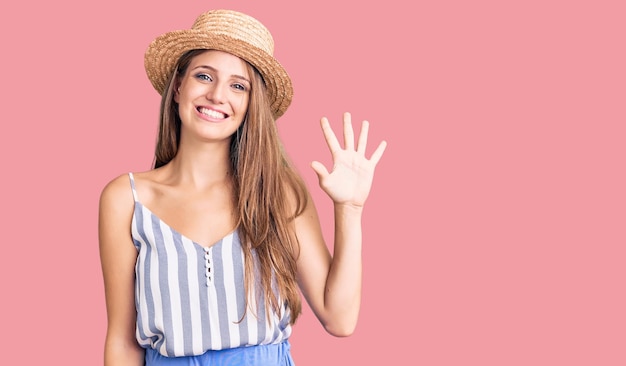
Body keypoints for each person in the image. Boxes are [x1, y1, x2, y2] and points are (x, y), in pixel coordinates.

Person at [98, 9, 386, 366]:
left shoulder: (277, 194)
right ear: (178, 87)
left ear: (252, 105)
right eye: (204, 76)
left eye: (238, 85)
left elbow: (339, 318)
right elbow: (123, 343)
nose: (218, 95)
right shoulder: (126, 199)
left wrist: (350, 209)